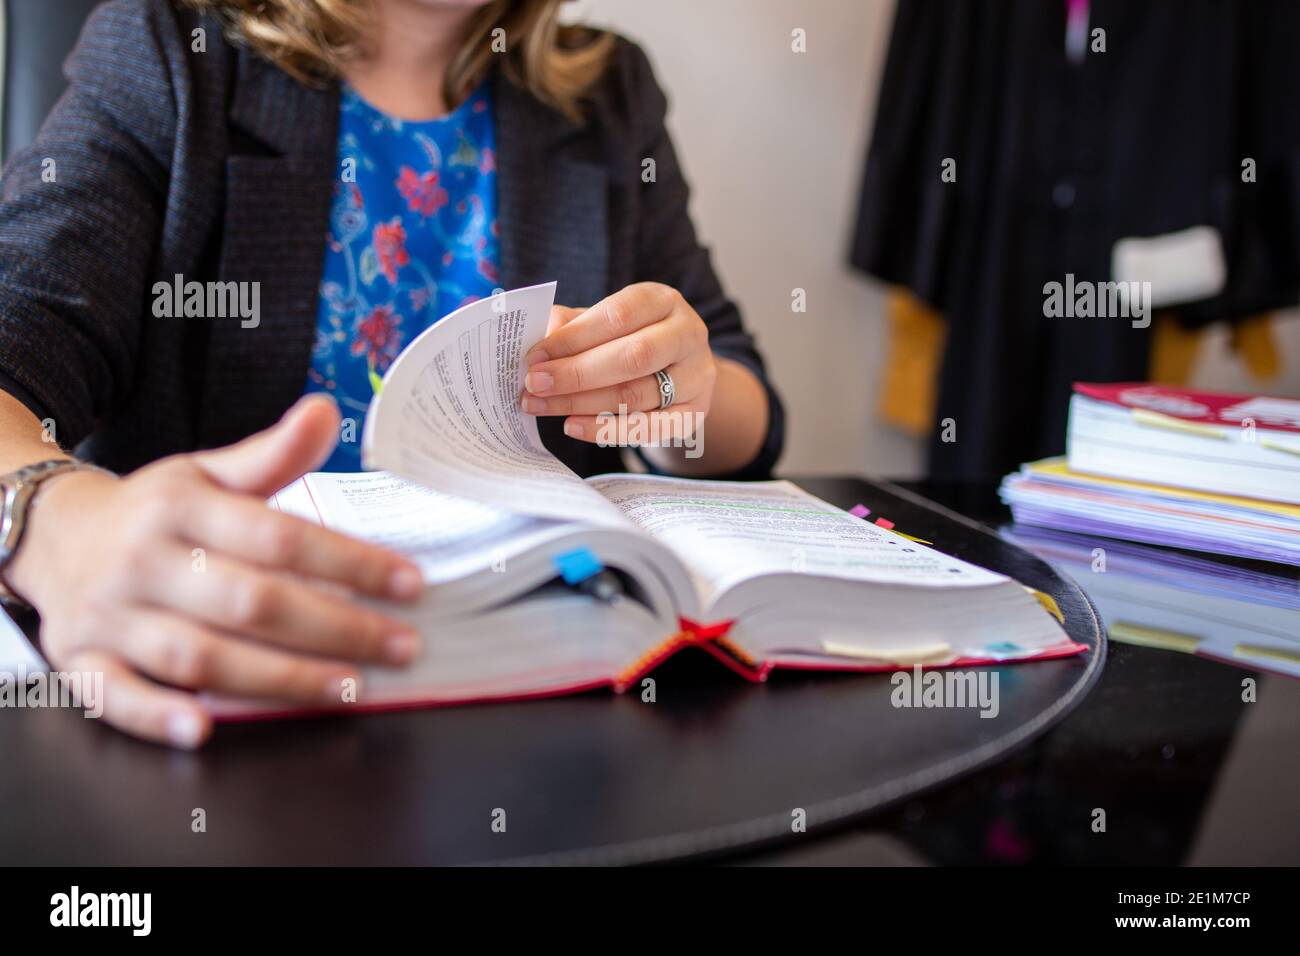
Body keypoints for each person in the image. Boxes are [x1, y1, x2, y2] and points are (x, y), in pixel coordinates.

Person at [0, 0, 783, 747]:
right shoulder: (173, 51)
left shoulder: (608, 90)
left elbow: (741, 402)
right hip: (240, 687)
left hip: (538, 690)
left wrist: (673, 393)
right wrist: (55, 525)